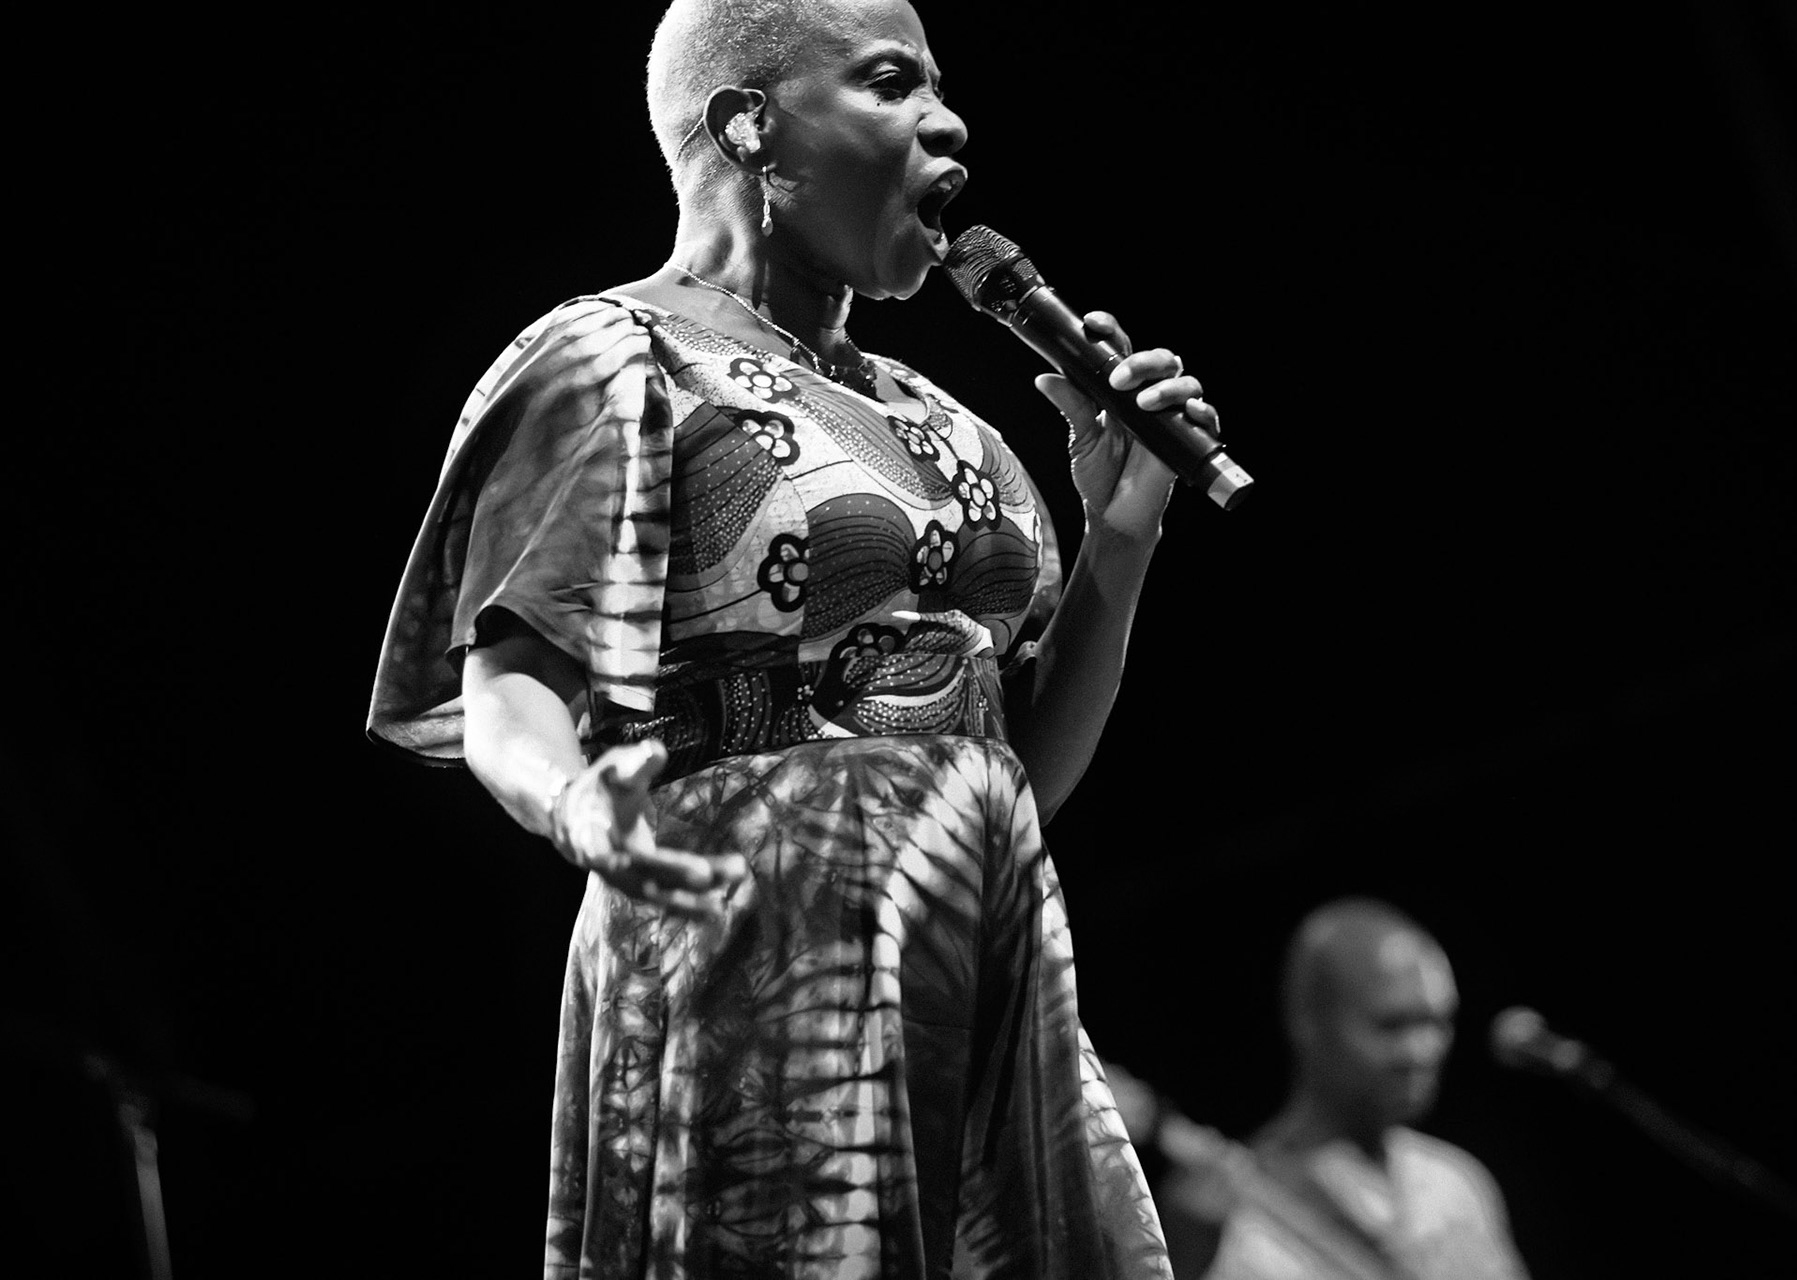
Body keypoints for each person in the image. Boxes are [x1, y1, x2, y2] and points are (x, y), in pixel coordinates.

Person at [366, 1, 1218, 1276]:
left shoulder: (950, 423)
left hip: (976, 951)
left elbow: (1014, 779)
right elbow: (508, 688)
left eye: (941, 85)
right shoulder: (615, 356)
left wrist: (1123, 537)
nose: (951, 121)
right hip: (759, 947)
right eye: (891, 82)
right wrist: (574, 804)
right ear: (750, 124)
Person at [1162, 898, 1529, 1280]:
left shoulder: (1453, 1183)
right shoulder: (1240, 1214)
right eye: (1393, 1025)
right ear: (1308, 1020)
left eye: (1438, 1022)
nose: (1423, 1050)